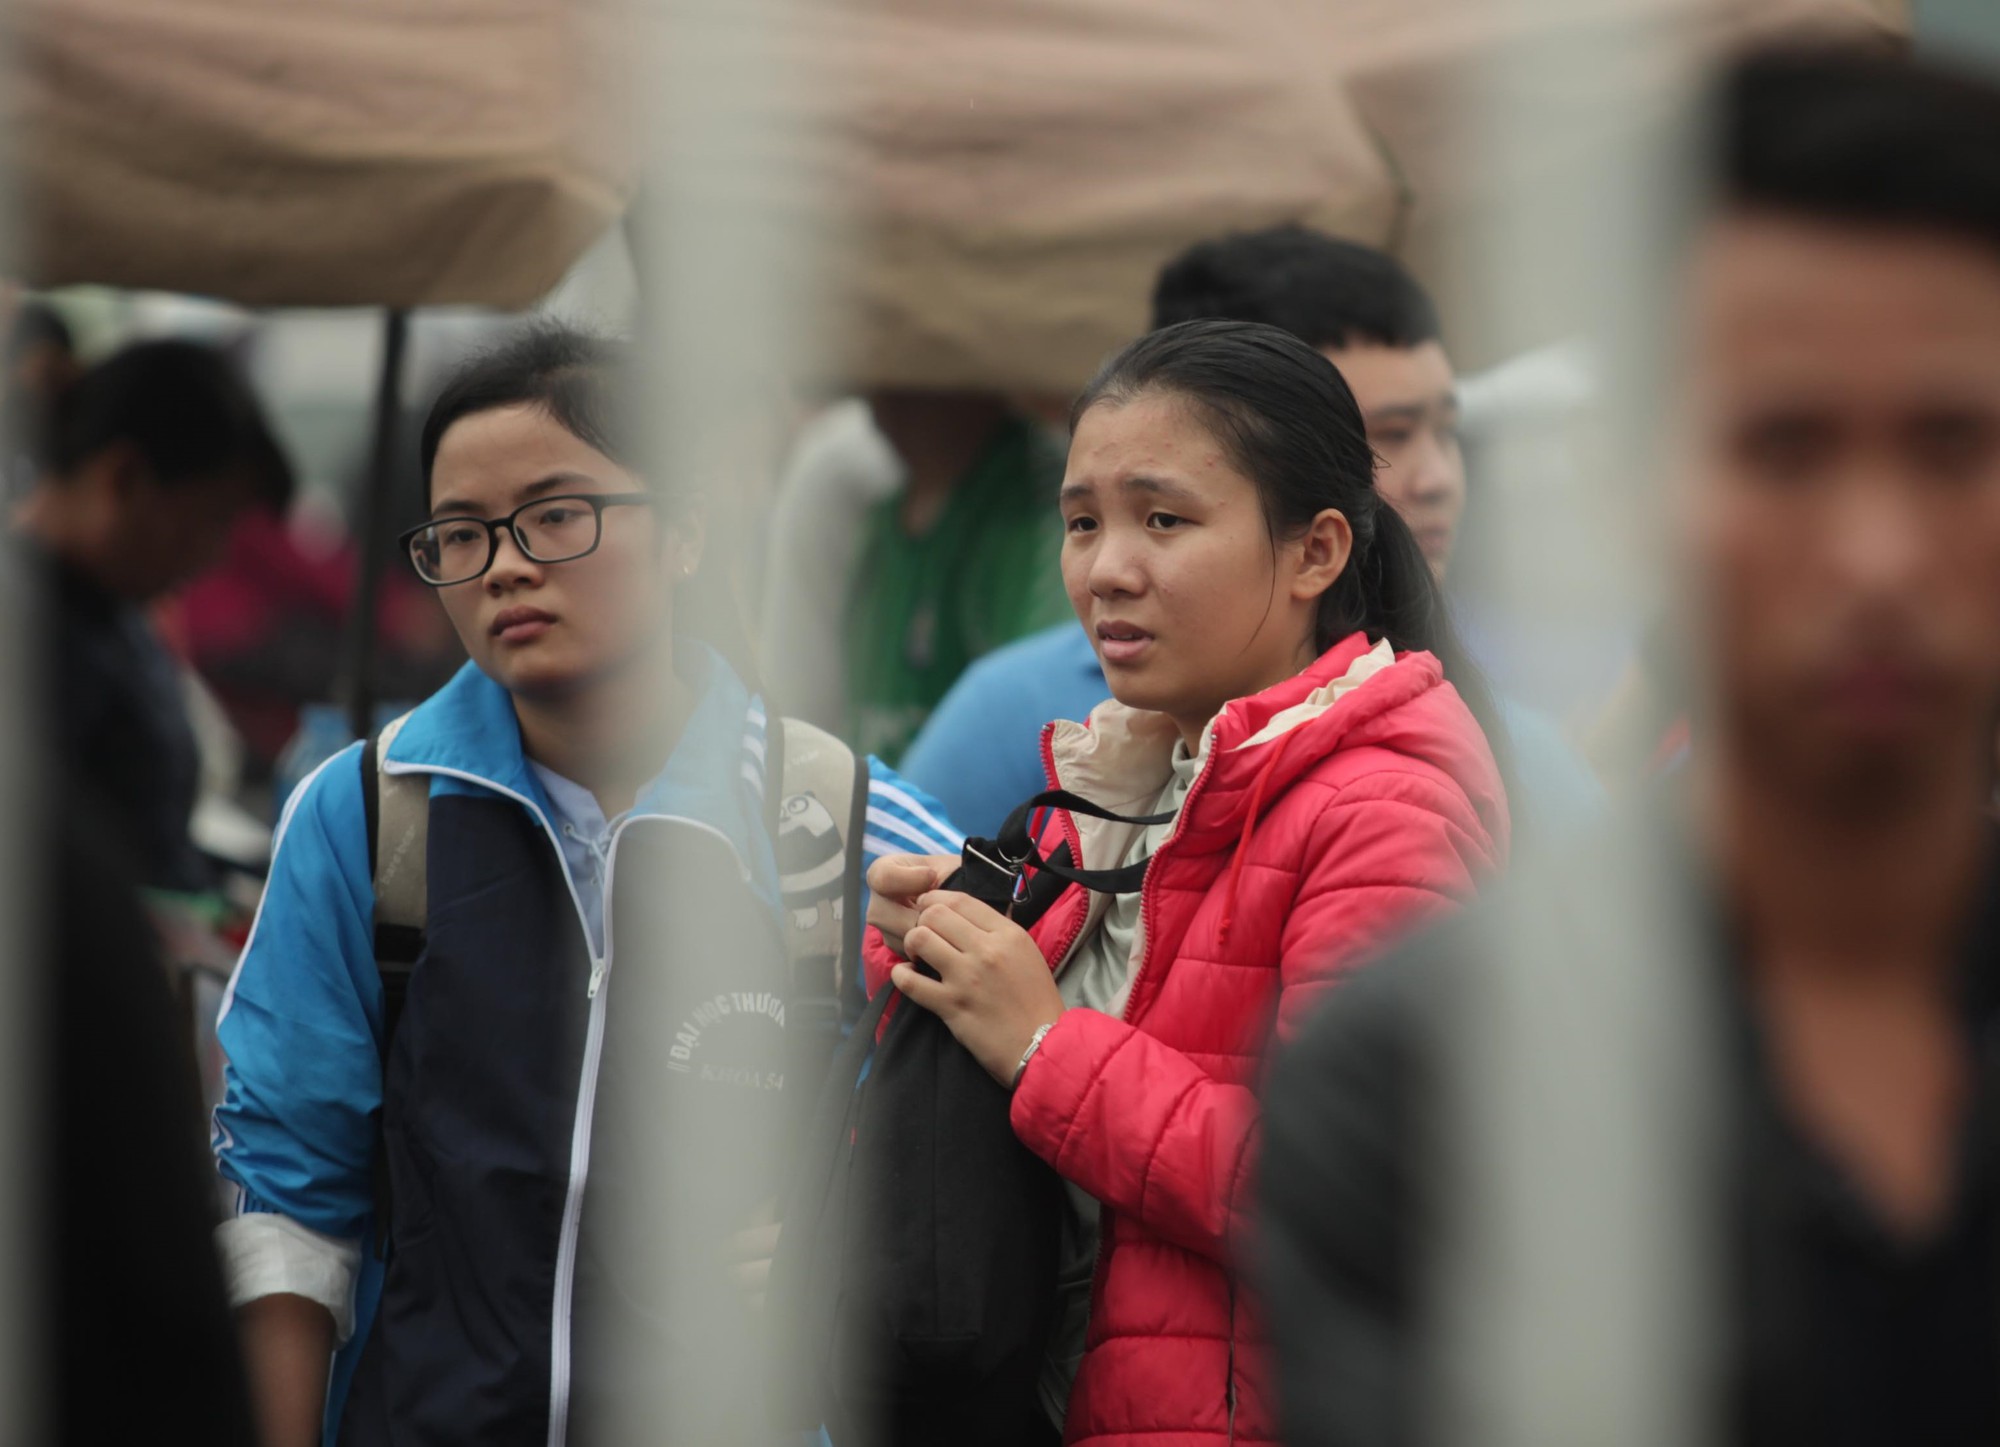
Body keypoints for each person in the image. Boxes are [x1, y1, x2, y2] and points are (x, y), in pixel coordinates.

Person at [1260, 45, 2000, 1446]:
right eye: (1784, 447)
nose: (1879, 553)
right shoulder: (1426, 1083)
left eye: (1954, 444)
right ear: (1625, 491)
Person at [210, 324, 959, 1447]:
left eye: (556, 515)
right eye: (460, 533)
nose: (505, 565)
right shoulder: (366, 818)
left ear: (686, 533)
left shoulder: (838, 825)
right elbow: (285, 1196)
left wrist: (849, 1236)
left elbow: (983, 1147)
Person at [863, 318, 1510, 1445]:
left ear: (1314, 552)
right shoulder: (1125, 783)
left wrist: (1041, 1044)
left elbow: (1355, 1199)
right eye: (1081, 521)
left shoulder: (1381, 811)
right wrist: (927, 956)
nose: (1106, 568)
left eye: (1162, 519)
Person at [900, 226, 1600, 840]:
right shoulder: (1027, 720)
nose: (1437, 478)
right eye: (1386, 437)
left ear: (1319, 547)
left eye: (1445, 432)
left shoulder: (1471, 760)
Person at [12, 337, 293, 891]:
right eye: (211, 520)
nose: (214, 556)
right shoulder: (23, 630)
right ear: (124, 477)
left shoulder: (112, 614)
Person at [842, 389, 1073, 764]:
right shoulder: (880, 516)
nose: (885, 410)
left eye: (912, 393)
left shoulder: (1034, 508)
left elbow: (1043, 716)